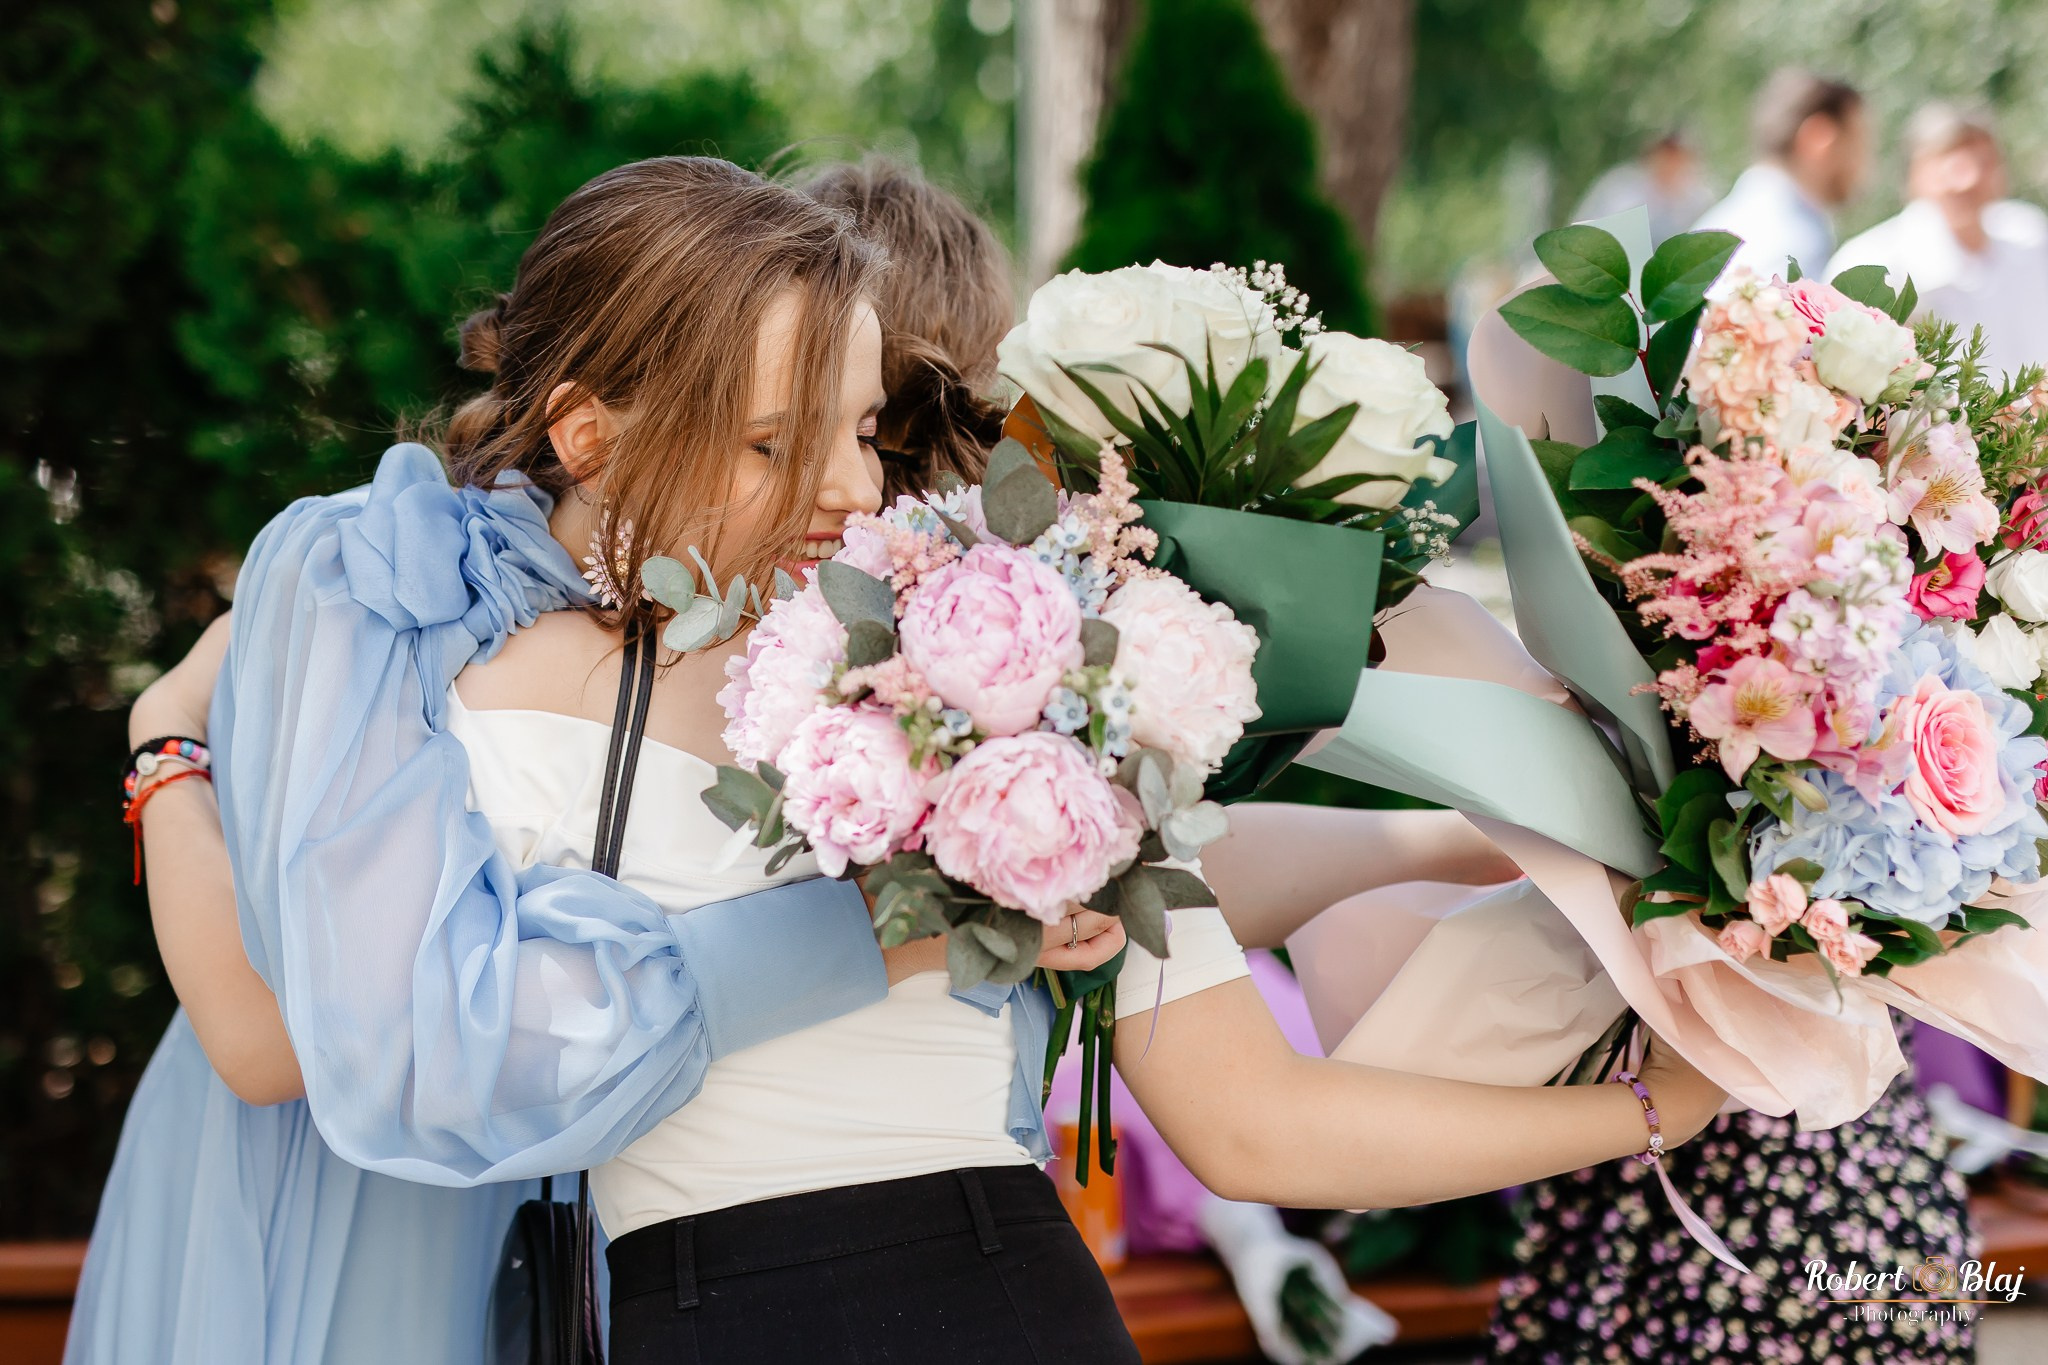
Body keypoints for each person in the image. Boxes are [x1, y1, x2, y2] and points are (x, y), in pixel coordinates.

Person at [105, 155, 1727, 1363]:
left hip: (978, 1283)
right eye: (781, 434)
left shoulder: (983, 662)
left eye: (868, 429)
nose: (845, 484)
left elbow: (1227, 1069)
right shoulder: (453, 661)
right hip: (693, 1308)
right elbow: (386, 1045)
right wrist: (168, 746)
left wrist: (1622, 1045)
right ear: (608, 421)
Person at [1827, 103, 2048, 375]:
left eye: (1983, 162)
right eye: (1950, 165)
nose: (1969, 179)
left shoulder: (2030, 237)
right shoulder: (1872, 262)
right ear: (1914, 173)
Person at [1695, 69, 1870, 281]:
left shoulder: (1714, 224)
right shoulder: (1800, 239)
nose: (1864, 164)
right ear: (1819, 139)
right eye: (1857, 142)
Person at [1574, 131, 1717, 247]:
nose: (1671, 166)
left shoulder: (1699, 199)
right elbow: (1588, 234)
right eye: (1666, 157)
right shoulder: (1622, 187)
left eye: (1677, 159)